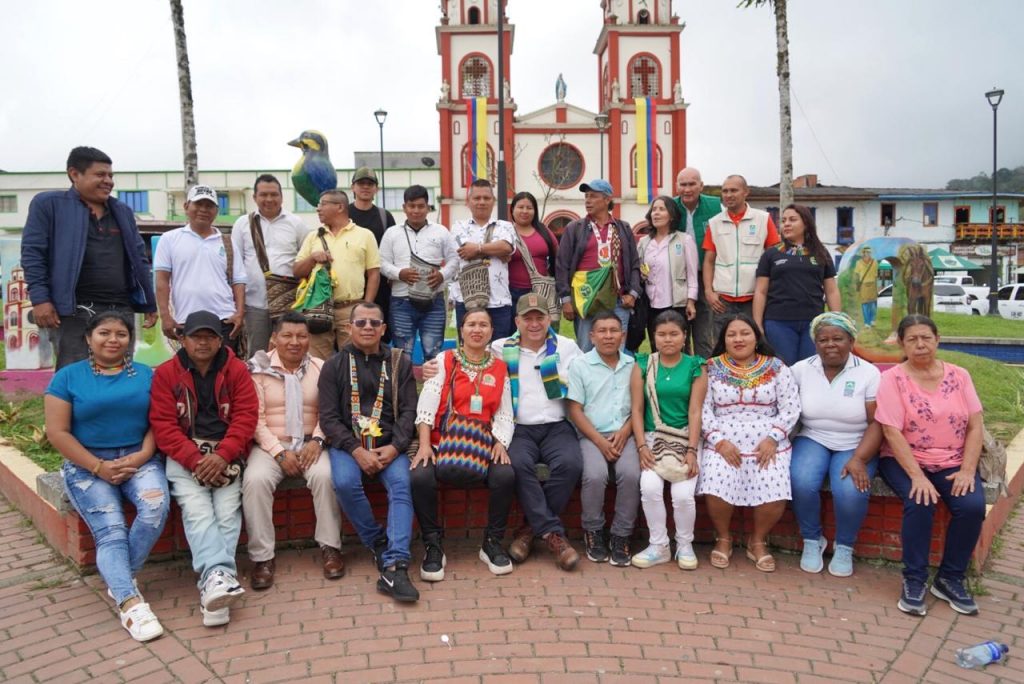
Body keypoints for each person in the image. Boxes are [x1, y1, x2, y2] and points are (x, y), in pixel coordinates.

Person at [421, 293, 585, 571]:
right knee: (516, 465)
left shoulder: (567, 347)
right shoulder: (500, 347)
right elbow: (467, 357)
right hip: (520, 428)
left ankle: (530, 531)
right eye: (527, 318)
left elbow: (589, 372)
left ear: (549, 319)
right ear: (517, 321)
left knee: (571, 464)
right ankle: (553, 535)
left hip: (557, 426)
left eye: (540, 317)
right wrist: (430, 367)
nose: (534, 324)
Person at [44, 311, 168, 642]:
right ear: (88, 337)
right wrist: (99, 467)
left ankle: (119, 579)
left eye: (121, 334)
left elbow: (160, 421)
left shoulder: (146, 375)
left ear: (130, 340)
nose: (113, 339)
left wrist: (142, 455)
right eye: (104, 333)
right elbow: (57, 433)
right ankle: (130, 604)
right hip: (87, 465)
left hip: (140, 458)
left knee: (155, 508)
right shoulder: (68, 378)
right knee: (111, 531)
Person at [150, 310, 259, 627]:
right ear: (182, 339)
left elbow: (245, 418)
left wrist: (222, 455)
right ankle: (219, 580)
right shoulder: (167, 373)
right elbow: (164, 427)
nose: (202, 341)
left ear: (220, 339)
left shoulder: (236, 369)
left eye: (210, 335)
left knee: (226, 511)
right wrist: (197, 460)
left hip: (227, 454)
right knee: (197, 510)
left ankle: (214, 591)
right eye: (195, 336)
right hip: (186, 456)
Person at [875, 314, 985, 617]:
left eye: (926, 337)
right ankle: (914, 580)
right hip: (904, 459)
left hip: (952, 460)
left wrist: (967, 469)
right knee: (920, 500)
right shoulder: (892, 379)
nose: (920, 345)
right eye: (912, 339)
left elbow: (976, 426)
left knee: (973, 506)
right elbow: (891, 432)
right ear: (901, 343)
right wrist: (917, 477)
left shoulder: (960, 375)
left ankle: (950, 578)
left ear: (937, 339)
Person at [318, 301, 420, 603]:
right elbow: (329, 418)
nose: (367, 328)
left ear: (383, 329)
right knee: (346, 483)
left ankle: (396, 565)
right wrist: (355, 449)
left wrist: (396, 446)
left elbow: (408, 411)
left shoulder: (399, 362)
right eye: (360, 323)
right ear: (350, 327)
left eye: (374, 323)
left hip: (390, 446)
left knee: (403, 485)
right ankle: (377, 541)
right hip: (348, 447)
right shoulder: (334, 365)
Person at [21, 146, 157, 369]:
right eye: (100, 175)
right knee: (76, 376)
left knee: (119, 375)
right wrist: (40, 299)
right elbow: (33, 253)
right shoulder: (49, 205)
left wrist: (148, 301)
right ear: (75, 174)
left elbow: (138, 258)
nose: (108, 181)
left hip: (120, 308)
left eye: (111, 175)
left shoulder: (122, 211)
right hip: (74, 310)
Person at [241, 312, 344, 590]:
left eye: (301, 336)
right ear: (274, 338)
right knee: (255, 481)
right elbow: (255, 420)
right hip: (270, 445)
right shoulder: (257, 369)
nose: (295, 342)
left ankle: (330, 547)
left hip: (312, 443)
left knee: (325, 477)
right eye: (287, 335)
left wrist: (318, 441)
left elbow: (330, 412)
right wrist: (278, 452)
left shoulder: (322, 368)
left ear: (309, 339)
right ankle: (262, 558)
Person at [412, 308, 516, 580]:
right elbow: (427, 405)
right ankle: (433, 545)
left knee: (505, 475)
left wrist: (501, 443)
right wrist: (424, 445)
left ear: (492, 332)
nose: (477, 330)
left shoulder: (500, 367)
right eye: (471, 324)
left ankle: (492, 543)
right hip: (441, 442)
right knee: (420, 476)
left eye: (484, 325)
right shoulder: (445, 360)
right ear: (461, 330)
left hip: (481, 445)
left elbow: (505, 413)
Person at [697, 314, 800, 572]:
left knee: (774, 482)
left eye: (745, 333)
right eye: (732, 335)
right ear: (724, 339)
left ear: (756, 337)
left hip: (767, 442)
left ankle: (757, 541)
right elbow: (701, 409)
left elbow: (790, 408)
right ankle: (723, 538)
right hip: (723, 440)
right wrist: (719, 442)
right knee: (717, 478)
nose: (738, 339)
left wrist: (773, 438)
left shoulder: (777, 368)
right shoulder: (709, 368)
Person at [789, 312, 882, 577]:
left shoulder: (869, 373)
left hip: (856, 441)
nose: (830, 344)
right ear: (815, 343)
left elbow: (877, 423)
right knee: (801, 480)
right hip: (813, 436)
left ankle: (844, 546)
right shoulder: (801, 370)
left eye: (838, 338)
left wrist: (860, 458)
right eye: (823, 339)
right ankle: (811, 539)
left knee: (851, 491)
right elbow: (787, 411)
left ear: (851, 341)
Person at [629, 310, 706, 570]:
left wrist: (692, 450)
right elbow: (637, 410)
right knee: (649, 486)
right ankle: (658, 545)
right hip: (652, 438)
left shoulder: (696, 366)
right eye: (661, 334)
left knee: (683, 493)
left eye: (674, 334)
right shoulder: (643, 364)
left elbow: (696, 411)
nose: (668, 339)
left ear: (684, 336)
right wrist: (641, 446)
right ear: (654, 337)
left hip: (686, 438)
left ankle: (684, 544)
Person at [566, 311, 642, 567]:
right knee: (595, 475)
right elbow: (574, 409)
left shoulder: (633, 365)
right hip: (591, 435)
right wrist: (598, 441)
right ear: (592, 335)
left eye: (613, 331)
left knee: (631, 474)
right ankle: (594, 531)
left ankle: (621, 535)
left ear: (623, 335)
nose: (608, 336)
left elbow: (640, 408)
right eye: (602, 331)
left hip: (625, 433)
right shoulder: (580, 365)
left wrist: (625, 431)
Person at [155, 184, 247, 355]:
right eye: (198, 204)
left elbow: (238, 281)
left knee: (224, 372)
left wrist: (239, 313)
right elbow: (162, 281)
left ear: (216, 210)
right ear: (186, 206)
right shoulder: (169, 239)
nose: (204, 210)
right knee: (192, 373)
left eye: (209, 206)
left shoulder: (227, 242)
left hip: (224, 319)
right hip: (186, 320)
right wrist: (165, 316)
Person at [230, 174, 313, 356]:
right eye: (264, 195)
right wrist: (239, 305)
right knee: (258, 356)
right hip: (254, 304)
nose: (269, 199)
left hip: (289, 305)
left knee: (289, 353)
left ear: (282, 197)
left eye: (274, 194)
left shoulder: (296, 224)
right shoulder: (242, 224)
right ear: (255, 198)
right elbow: (236, 266)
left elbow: (306, 259)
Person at [293, 190, 381, 360]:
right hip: (317, 309)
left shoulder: (365, 235)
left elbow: (374, 274)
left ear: (340, 206)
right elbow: (297, 271)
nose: (318, 209)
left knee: (354, 361)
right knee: (318, 362)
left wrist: (365, 309)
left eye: (323, 204)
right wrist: (312, 258)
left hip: (351, 308)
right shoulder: (313, 236)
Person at [556, 180, 641, 352]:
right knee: (586, 350)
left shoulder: (622, 228)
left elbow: (634, 264)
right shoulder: (575, 228)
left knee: (617, 350)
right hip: (586, 298)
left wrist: (633, 293)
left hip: (618, 300)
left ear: (607, 199)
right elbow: (561, 265)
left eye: (593, 196)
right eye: (586, 196)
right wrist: (566, 300)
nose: (588, 200)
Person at [753, 204, 841, 366]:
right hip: (778, 323)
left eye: (792, 220)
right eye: (783, 220)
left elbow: (832, 290)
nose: (786, 224)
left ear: (806, 223)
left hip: (813, 323)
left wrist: (838, 321)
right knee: (785, 369)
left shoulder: (821, 253)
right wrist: (757, 324)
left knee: (810, 368)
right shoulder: (771, 254)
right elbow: (760, 291)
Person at [379, 185, 458, 362]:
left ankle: (434, 389)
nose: (416, 210)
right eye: (412, 206)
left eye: (421, 206)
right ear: (404, 208)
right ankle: (402, 389)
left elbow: (454, 260)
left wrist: (442, 275)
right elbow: (382, 263)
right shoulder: (392, 233)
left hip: (434, 300)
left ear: (428, 207)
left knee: (434, 352)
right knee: (402, 354)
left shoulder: (441, 231)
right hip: (401, 300)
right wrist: (400, 273)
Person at [702, 175, 781, 341]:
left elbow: (774, 258)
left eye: (733, 190)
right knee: (721, 346)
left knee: (754, 344)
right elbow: (709, 261)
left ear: (746, 192)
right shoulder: (714, 223)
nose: (729, 195)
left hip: (754, 299)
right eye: (725, 191)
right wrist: (709, 292)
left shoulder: (763, 219)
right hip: (722, 301)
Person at [448, 179, 516, 338]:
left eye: (486, 198)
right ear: (468, 202)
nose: (481, 202)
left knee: (498, 351)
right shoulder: (458, 226)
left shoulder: (505, 226)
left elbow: (507, 247)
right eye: (477, 198)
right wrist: (495, 249)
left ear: (493, 201)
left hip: (499, 301)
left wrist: (477, 248)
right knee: (469, 352)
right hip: (467, 300)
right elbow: (464, 251)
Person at [673, 168, 722, 358]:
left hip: (707, 277)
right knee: (678, 330)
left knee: (704, 332)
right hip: (678, 278)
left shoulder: (716, 206)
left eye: (692, 184)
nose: (687, 189)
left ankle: (705, 373)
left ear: (701, 185)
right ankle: (681, 374)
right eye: (683, 184)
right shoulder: (669, 206)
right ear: (677, 187)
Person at [637, 195, 698, 347]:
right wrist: (641, 275)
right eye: (654, 210)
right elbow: (637, 270)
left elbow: (692, 274)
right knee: (656, 347)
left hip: (676, 304)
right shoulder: (644, 243)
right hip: (650, 305)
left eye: (661, 209)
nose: (656, 213)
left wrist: (691, 301)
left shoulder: (684, 240)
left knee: (679, 347)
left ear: (671, 215)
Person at [348, 167, 397, 343]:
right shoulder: (343, 214)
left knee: (378, 335)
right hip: (348, 287)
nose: (366, 187)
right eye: (361, 183)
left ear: (377, 189)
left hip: (380, 287)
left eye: (370, 184)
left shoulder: (384, 216)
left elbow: (394, 248)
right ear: (352, 187)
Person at [507, 191, 558, 312]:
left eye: (529, 208)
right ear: (512, 209)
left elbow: (559, 257)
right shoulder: (505, 231)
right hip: (511, 293)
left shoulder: (544, 231)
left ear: (534, 211)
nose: (525, 211)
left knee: (539, 329)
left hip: (542, 292)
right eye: (520, 207)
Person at [854, 246, 879, 328]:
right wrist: (857, 285)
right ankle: (866, 322)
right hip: (863, 284)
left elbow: (876, 275)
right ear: (863, 253)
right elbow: (857, 275)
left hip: (872, 284)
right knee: (865, 304)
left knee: (873, 304)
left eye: (869, 252)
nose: (868, 254)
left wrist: (877, 286)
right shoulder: (858, 263)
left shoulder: (874, 262)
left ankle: (872, 320)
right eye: (867, 252)